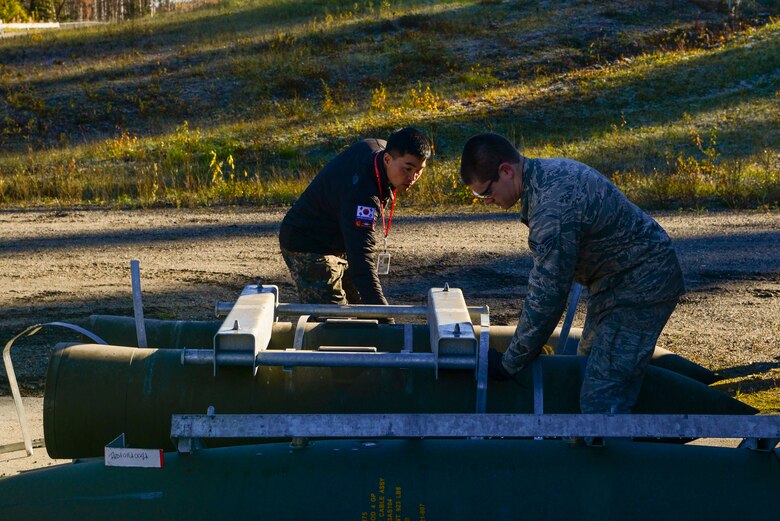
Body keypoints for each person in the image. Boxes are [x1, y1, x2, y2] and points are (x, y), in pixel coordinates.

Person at [460, 132, 684, 414]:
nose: (487, 201)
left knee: (602, 397)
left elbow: (548, 296)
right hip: (614, 285)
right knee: (586, 362)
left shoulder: (551, 207)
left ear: (506, 171)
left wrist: (511, 361)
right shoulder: (544, 177)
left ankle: (610, 451)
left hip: (642, 285)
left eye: (486, 192)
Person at [279, 127, 432, 308]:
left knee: (361, 304)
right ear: (387, 159)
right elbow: (361, 256)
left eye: (419, 170)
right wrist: (384, 315)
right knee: (335, 319)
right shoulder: (363, 195)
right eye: (407, 169)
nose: (412, 177)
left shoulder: (380, 150)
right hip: (306, 244)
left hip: (338, 240)